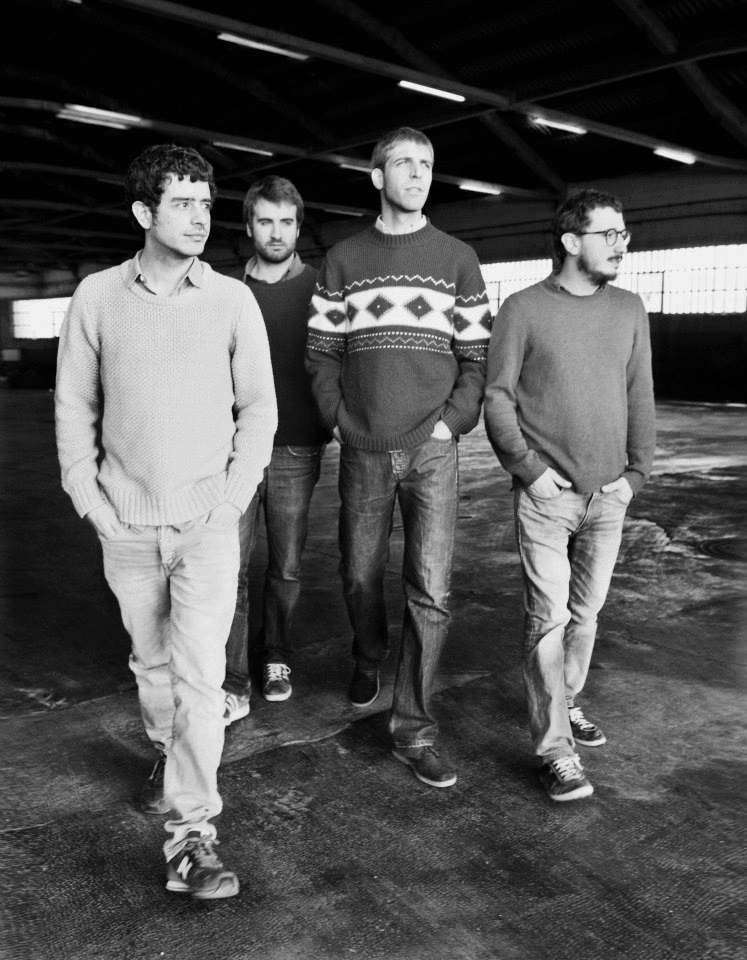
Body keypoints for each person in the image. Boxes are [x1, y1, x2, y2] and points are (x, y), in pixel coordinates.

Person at [54, 144, 277, 898]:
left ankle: (192, 838)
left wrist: (232, 500)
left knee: (201, 677)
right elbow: (74, 408)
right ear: (143, 212)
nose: (200, 218)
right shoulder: (96, 298)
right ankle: (168, 750)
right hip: (126, 524)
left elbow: (259, 409)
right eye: (182, 204)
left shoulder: (232, 301)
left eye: (206, 204)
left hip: (207, 524)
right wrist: (94, 505)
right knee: (152, 670)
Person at [306, 126, 492, 789]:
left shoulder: (458, 260)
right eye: (404, 163)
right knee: (358, 574)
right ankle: (368, 652)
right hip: (364, 446)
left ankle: (413, 729)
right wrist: (337, 418)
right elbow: (321, 352)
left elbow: (476, 359)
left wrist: (449, 425)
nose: (417, 174)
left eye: (427, 164)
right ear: (376, 176)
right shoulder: (343, 259)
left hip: (433, 451)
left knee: (430, 589)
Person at [483, 188, 655, 802]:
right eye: (609, 234)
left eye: (623, 234)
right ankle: (556, 750)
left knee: (586, 615)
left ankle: (568, 697)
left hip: (608, 496)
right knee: (549, 617)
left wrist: (635, 475)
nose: (620, 245)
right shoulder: (524, 308)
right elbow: (497, 396)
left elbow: (639, 393)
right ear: (570, 240)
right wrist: (528, 469)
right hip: (547, 497)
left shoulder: (629, 308)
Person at [223, 176, 330, 723]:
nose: (276, 232)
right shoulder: (225, 292)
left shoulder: (320, 288)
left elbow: (341, 357)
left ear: (298, 227)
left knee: (285, 566)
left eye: (286, 222)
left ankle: (276, 657)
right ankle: (232, 678)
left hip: (296, 448)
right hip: (235, 449)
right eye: (265, 221)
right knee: (229, 569)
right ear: (249, 226)